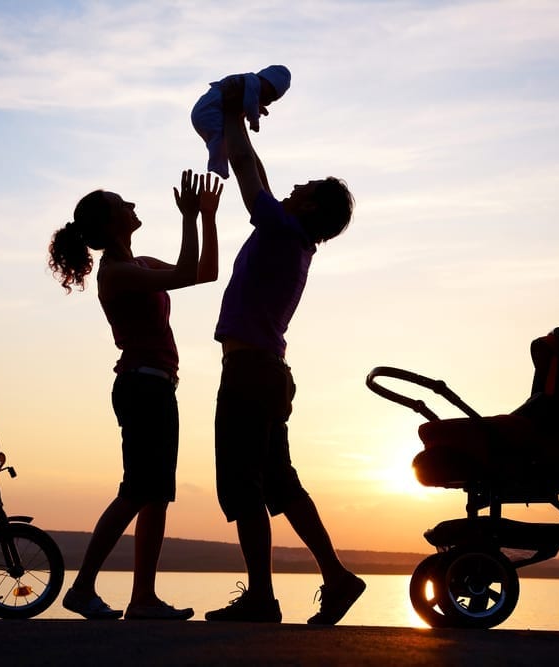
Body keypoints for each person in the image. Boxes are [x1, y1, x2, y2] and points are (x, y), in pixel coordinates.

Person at [204, 78, 364, 625]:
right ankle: (338, 578)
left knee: (246, 488)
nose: (295, 184)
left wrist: (230, 111)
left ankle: (261, 598)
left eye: (308, 184)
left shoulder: (279, 230)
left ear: (312, 203)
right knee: (280, 483)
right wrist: (235, 122)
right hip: (269, 372)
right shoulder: (293, 237)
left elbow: (250, 177)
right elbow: (261, 176)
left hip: (250, 373)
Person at [48, 169, 222, 621]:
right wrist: (189, 218)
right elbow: (187, 270)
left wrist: (208, 217)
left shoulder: (139, 264)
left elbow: (205, 273)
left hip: (157, 385)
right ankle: (83, 587)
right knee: (136, 491)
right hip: (141, 385)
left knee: (155, 494)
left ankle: (142, 597)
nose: (133, 206)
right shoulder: (119, 272)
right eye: (122, 203)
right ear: (108, 226)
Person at [191, 65, 291, 179]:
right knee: (218, 139)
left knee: (221, 140)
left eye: (272, 99)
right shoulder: (252, 83)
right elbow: (250, 103)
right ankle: (217, 165)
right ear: (265, 80)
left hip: (207, 110)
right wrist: (254, 121)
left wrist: (255, 109)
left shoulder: (248, 83)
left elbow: (249, 102)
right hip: (208, 110)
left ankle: (219, 164)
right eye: (270, 94)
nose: (268, 100)